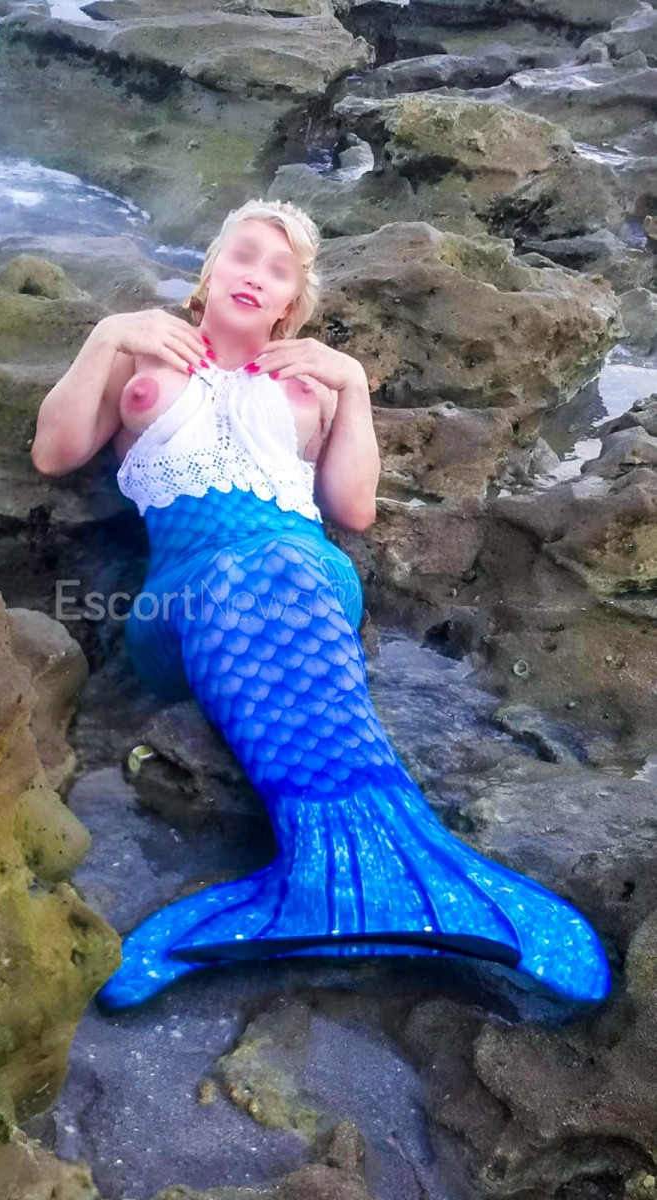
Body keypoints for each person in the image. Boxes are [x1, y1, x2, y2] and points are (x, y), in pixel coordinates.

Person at [31, 198, 611, 1012]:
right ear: (211, 270)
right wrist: (105, 337)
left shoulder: (313, 383)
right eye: (243, 255)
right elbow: (54, 452)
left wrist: (355, 387)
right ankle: (400, 878)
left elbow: (354, 509)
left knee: (288, 560)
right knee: (250, 570)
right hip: (181, 597)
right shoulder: (140, 351)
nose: (255, 275)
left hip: (305, 568)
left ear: (290, 302)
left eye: (279, 271)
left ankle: (327, 880)